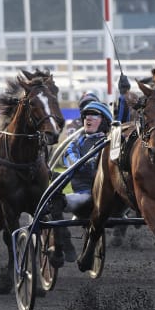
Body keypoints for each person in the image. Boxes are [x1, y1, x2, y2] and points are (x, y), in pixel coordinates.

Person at [51, 100, 112, 263]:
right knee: (55, 200)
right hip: (83, 195)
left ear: (104, 121)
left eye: (94, 115)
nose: (88, 118)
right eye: (86, 115)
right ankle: (61, 245)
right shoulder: (77, 142)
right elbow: (69, 156)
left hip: (104, 197)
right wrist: (83, 163)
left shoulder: (110, 144)